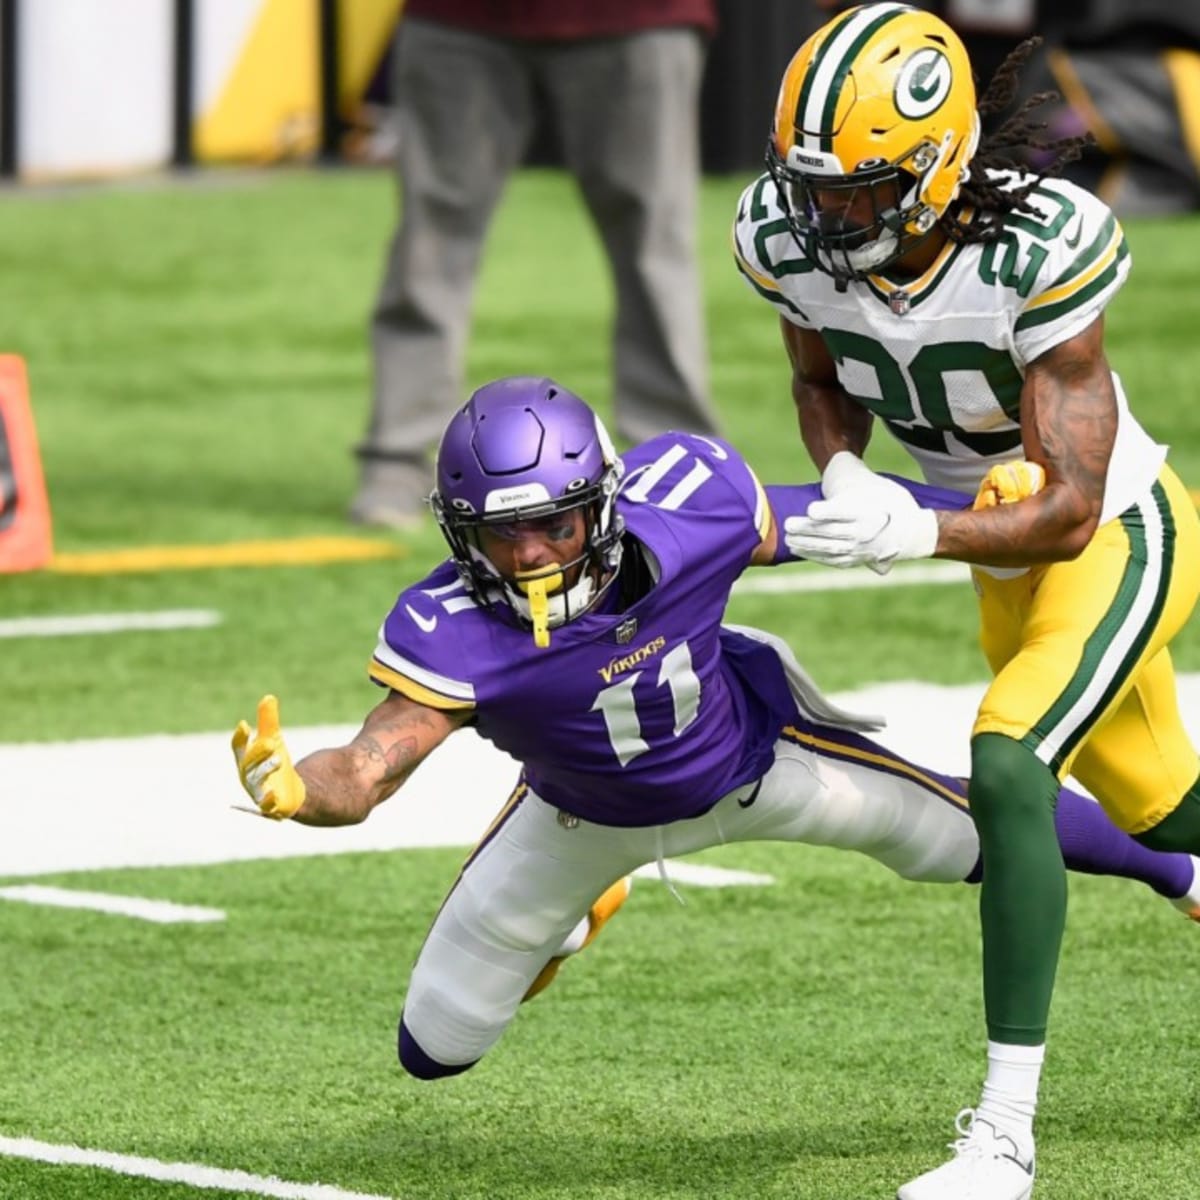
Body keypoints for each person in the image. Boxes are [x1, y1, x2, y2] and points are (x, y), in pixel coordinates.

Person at [234, 376, 1200, 1095]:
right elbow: (368, 765)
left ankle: (1184, 873)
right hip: (580, 814)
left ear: (601, 506)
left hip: (758, 759)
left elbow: (842, 518)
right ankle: (574, 915)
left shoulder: (689, 508)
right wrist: (298, 790)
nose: (529, 557)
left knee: (967, 824)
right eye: (501, 535)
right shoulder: (451, 627)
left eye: (554, 528)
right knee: (432, 1050)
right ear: (460, 534)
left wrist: (978, 519)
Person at [732, 4, 1200, 1197]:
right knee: (1162, 820)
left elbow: (1071, 509)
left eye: (855, 190)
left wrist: (915, 522)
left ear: (936, 168)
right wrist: (842, 464)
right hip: (998, 556)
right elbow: (817, 368)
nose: (822, 216)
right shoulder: (787, 237)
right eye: (811, 187)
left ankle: (1003, 1141)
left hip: (1114, 534)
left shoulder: (1037, 247)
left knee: (1006, 761)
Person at [350, 0, 721, 529]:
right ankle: (397, 459)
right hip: (457, 18)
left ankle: (682, 461)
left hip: (640, 15)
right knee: (428, 242)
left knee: (655, 244)